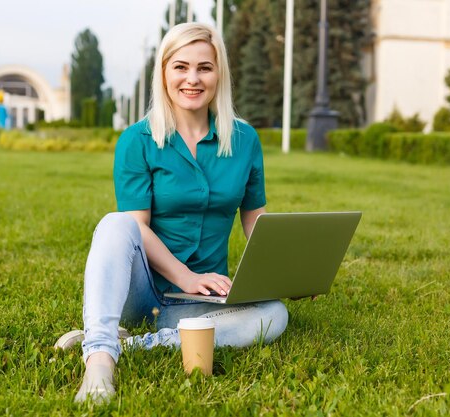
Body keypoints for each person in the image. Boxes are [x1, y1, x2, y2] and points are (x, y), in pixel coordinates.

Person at [63, 22, 288, 404]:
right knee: (116, 223)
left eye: (205, 67)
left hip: (204, 298)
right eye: (181, 66)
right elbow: (137, 227)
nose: (193, 79)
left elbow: (255, 217)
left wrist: (290, 271)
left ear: (220, 74)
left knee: (274, 315)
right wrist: (185, 275)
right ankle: (100, 358)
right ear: (164, 72)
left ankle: (139, 345)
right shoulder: (137, 140)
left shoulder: (245, 139)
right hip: (144, 291)